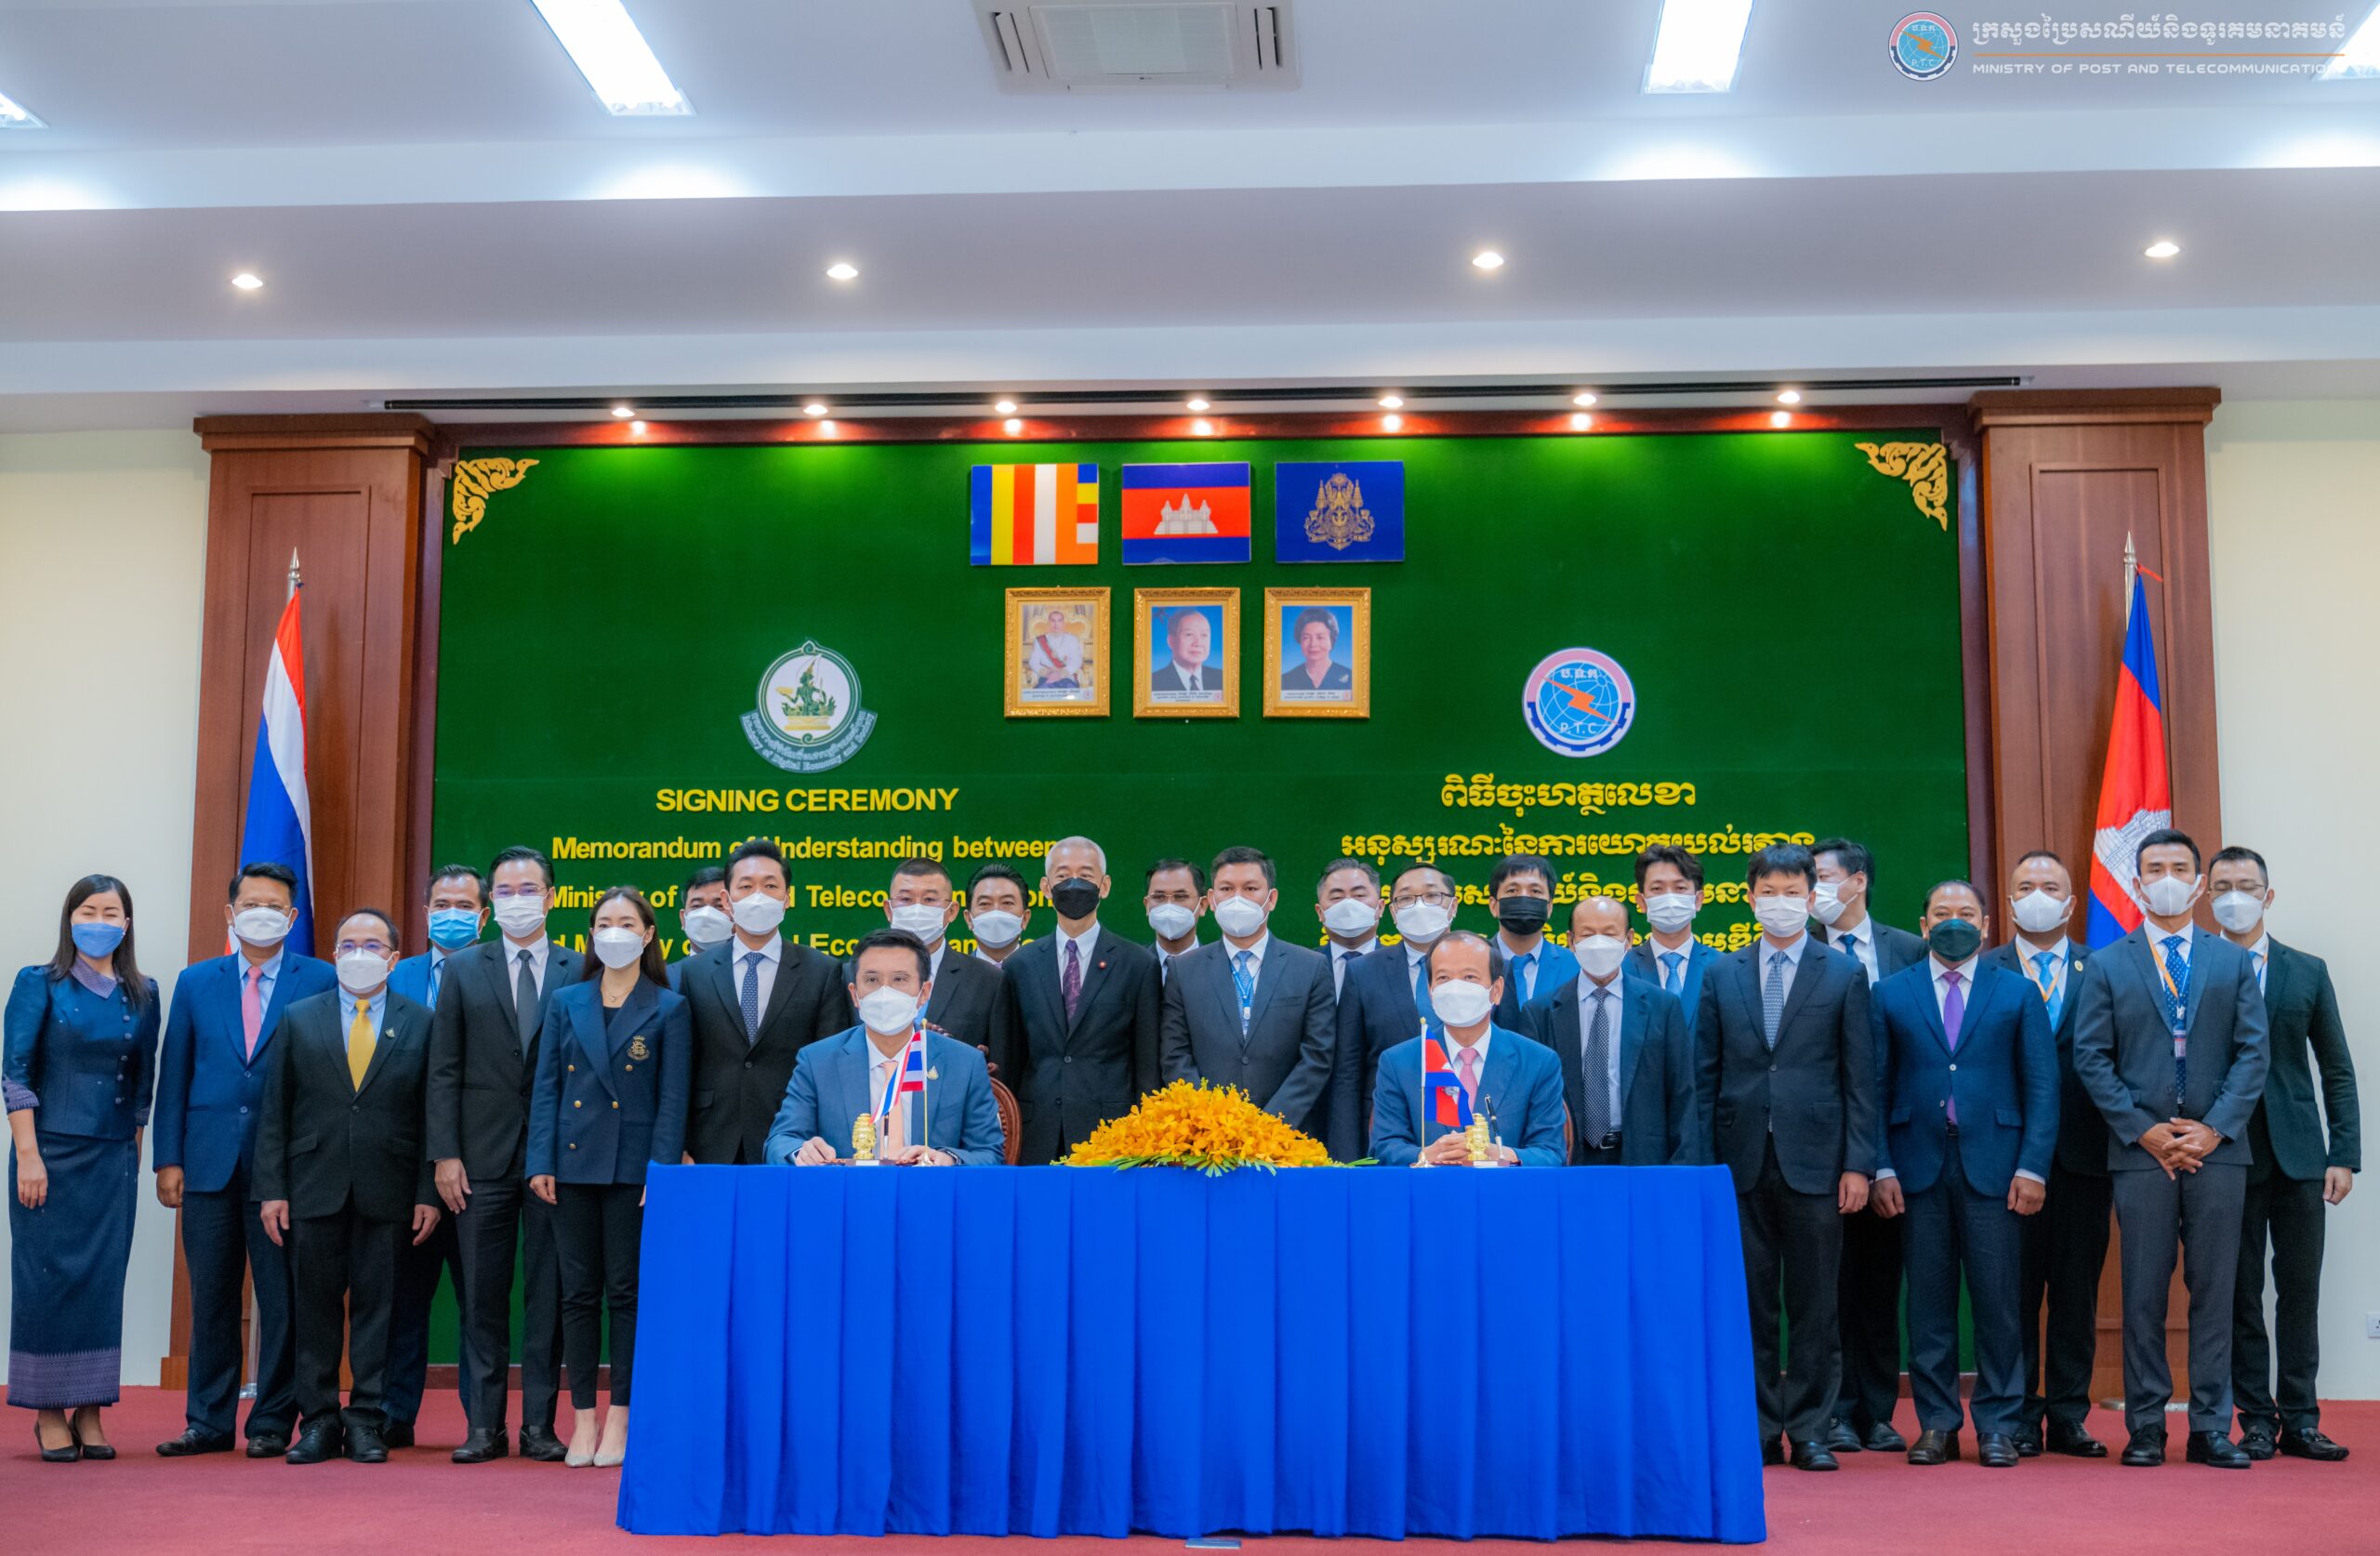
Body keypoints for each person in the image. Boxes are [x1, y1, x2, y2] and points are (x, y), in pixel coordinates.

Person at [2070, 827, 2269, 1470]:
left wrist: (2214, 1128)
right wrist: (2142, 1129)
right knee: (2143, 1293)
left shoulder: (2231, 961)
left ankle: (2212, 1427)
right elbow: (2091, 1057)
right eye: (2154, 869)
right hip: (2140, 1153)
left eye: (2179, 868)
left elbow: (2253, 1053)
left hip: (2219, 1150)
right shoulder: (2108, 963)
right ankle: (2147, 1427)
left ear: (2199, 883)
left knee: (2215, 1292)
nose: (2167, 879)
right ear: (2136, 884)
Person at [1695, 842, 1877, 1471]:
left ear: (1811, 897)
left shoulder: (1843, 974)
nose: (1779, 902)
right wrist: (1705, 1168)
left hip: (1819, 1164)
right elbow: (1705, 1076)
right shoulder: (1721, 974)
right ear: (1749, 899)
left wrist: (1858, 1164)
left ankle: (1811, 1429)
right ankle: (1759, 1428)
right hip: (1739, 1163)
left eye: (1791, 892)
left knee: (1814, 1305)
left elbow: (1860, 1079)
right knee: (1750, 1303)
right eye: (1767, 892)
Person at [1869, 880, 2056, 1469]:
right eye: (1943, 913)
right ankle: (1937, 1425)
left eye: (1967, 913)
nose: (1955, 922)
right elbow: (1874, 1087)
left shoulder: (2018, 992)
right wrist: (1880, 1165)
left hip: (1998, 1170)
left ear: (1986, 924)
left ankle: (1999, 1424)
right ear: (1924, 926)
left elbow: (2042, 1087)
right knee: (1927, 1306)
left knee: (1998, 1304)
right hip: (1915, 1168)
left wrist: (2033, 1166)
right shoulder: (1889, 992)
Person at [150, 863, 334, 1458]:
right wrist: (168, 1158)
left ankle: (272, 1421)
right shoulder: (195, 982)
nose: (262, 914)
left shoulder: (321, 979)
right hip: (207, 1165)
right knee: (212, 1297)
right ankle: (207, 1421)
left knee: (282, 1300)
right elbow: (174, 1074)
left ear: (293, 916)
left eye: (274, 906)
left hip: (287, 1170)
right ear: (230, 914)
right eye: (251, 904)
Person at [254, 908, 442, 1465]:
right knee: (313, 1312)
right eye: (349, 944)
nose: (360, 954)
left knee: (378, 1313)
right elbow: (276, 1111)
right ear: (334, 955)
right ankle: (317, 1421)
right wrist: (272, 1189)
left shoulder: (421, 1022)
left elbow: (432, 1115)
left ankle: (366, 1421)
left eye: (373, 945)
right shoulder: (298, 1017)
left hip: (391, 1189)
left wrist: (428, 1192)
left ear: (394, 958)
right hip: (313, 1186)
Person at [424, 845, 584, 1464]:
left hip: (555, 1161)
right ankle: (484, 1426)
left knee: (549, 1298)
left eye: (529, 889)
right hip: (478, 1160)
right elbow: (444, 1069)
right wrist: (445, 1154)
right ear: (492, 903)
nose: (518, 900)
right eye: (506, 891)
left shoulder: (580, 968)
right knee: (482, 1298)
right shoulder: (464, 968)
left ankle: (539, 1426)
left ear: (552, 897)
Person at [527, 887, 691, 1469]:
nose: (614, 932)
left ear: (648, 935)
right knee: (576, 1295)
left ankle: (620, 1416)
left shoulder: (669, 1007)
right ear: (591, 935)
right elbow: (547, 1088)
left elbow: (673, 1101)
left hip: (632, 1170)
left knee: (624, 1295)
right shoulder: (566, 1000)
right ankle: (583, 1420)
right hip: (571, 1167)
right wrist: (541, 1161)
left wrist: (660, 1170)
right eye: (604, 922)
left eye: (627, 922)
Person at [2209, 846, 2358, 1462]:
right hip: (2228, 1156)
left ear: (2268, 896)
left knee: (2299, 1292)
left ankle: (2301, 1418)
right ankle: (2256, 1421)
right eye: (2222, 885)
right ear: (2207, 897)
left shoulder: (2308, 971)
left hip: (2301, 1157)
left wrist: (2343, 1153)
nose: (2235, 896)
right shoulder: (2197, 967)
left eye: (2246, 885)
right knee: (2240, 1294)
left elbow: (2336, 1068)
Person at [7, 875, 159, 1463]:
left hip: (112, 1157)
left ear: (127, 923)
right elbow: (15, 1073)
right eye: (88, 910)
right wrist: (28, 1155)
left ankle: (91, 1409)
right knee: (46, 1280)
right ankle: (48, 1411)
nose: (100, 921)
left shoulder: (144, 992)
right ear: (70, 919)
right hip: (48, 1154)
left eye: (111, 912)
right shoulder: (38, 982)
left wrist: (133, 1152)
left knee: (102, 1284)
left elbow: (143, 1086)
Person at [1984, 850, 2109, 1457]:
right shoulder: (1985, 969)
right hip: (2003, 1158)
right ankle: (2017, 1414)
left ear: (2070, 901)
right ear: (2009, 901)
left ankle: (2067, 1414)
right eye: (2026, 885)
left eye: (2050, 886)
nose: (2038, 894)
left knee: (2075, 1293)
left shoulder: (2103, 968)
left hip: (2086, 1156)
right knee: (2012, 1294)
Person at [1812, 837, 1925, 1457]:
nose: (1813, 890)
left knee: (1880, 1282)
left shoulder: (1909, 951)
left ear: (1858, 881)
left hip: (1893, 1144)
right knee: (1824, 1287)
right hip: (1815, 1145)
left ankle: (1877, 1411)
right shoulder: (1798, 948)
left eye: (1822, 876)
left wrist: (1882, 1155)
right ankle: (1832, 1411)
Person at [381, 862, 484, 1447]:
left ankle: (481, 1421)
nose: (452, 915)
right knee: (402, 1299)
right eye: (442, 905)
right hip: (403, 1167)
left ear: (483, 916)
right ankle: (394, 1415)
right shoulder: (396, 976)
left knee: (478, 1304)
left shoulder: (500, 974)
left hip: (478, 1165)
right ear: (425, 914)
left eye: (464, 906)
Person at [985, 837, 1160, 1164]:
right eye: (1063, 875)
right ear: (1046, 887)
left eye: (1086, 875)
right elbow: (1009, 1058)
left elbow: (1147, 1064)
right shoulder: (1020, 965)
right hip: (1036, 1132)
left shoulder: (1138, 964)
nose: (1074, 884)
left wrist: (1146, 1138)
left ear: (1104, 886)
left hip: (1114, 1134)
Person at [765, 930, 1004, 1166]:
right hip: (848, 1189)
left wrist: (949, 1159)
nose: (885, 992)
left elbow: (989, 1154)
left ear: (924, 993)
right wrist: (801, 1153)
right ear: (854, 994)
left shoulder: (964, 1063)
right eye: (872, 980)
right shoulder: (818, 1061)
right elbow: (780, 1142)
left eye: (899, 979)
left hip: (929, 1189)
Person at [680, 838, 853, 1165]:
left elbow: (830, 1067)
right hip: (709, 1141)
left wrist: (822, 1140)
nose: (758, 896)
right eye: (746, 886)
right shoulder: (692, 973)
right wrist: (679, 1144)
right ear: (727, 900)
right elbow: (680, 1066)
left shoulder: (823, 971)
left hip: (794, 1141)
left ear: (787, 898)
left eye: (770, 886)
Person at [1159, 847, 1335, 1126]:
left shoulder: (1310, 967)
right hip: (1207, 1133)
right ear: (1212, 899)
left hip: (1288, 1133)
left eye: (1250, 888)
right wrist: (1211, 1120)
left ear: (1271, 899)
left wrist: (1269, 1124)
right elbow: (1175, 1056)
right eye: (1226, 889)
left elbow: (1316, 1056)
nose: (1237, 898)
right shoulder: (1183, 970)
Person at [1521, 894, 1699, 1165]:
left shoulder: (1662, 1007)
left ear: (1629, 939)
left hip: (1644, 1159)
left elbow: (1682, 1095)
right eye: (1587, 934)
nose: (1598, 943)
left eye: (1609, 933)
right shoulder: (1539, 1013)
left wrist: (1681, 1168)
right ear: (1571, 941)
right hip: (1569, 1159)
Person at [1368, 931, 1565, 1166]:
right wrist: (1426, 1155)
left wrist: (1502, 1155)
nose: (1455, 988)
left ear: (1497, 990)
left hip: (1504, 1188)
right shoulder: (1399, 1062)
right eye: (1443, 978)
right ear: (1430, 991)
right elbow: (1383, 1149)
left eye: (1469, 977)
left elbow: (1551, 1153)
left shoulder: (1537, 1062)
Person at [1329, 863, 1457, 1161]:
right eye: (1406, 898)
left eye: (1432, 896)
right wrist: (1347, 1158)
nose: (1420, 906)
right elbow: (1347, 1072)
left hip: (1472, 1128)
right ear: (1393, 911)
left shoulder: (1488, 964)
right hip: (1387, 1135)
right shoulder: (1363, 971)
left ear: (1453, 905)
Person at [883, 857, 1001, 1051]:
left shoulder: (987, 981)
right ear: (889, 910)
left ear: (952, 911)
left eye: (929, 900)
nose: (917, 909)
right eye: (906, 899)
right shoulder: (854, 975)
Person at [1488, 852, 1576, 1029]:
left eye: (1535, 891)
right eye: (1512, 891)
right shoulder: (1472, 963)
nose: (1524, 897)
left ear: (1549, 907)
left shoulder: (1574, 966)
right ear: (1494, 906)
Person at [1629, 845, 1718, 1016]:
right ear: (1641, 902)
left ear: (1698, 900)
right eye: (1657, 889)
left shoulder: (1722, 968)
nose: (1669, 897)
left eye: (1680, 888)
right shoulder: (1622, 968)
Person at [1314, 857, 1382, 1000]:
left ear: (1380, 908)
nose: (1348, 904)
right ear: (1320, 912)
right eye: (1337, 897)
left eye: (1359, 895)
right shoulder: (1302, 967)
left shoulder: (1403, 966)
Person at [1142, 858, 1206, 984]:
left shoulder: (1224, 967)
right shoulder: (1130, 966)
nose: (1169, 905)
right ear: (1147, 905)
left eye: (1180, 897)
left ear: (1203, 905)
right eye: (1159, 897)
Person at [669, 865, 732, 990]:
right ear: (683, 919)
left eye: (719, 906)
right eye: (697, 906)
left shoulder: (750, 977)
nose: (706, 914)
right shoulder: (668, 980)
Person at [964, 864, 1030, 969]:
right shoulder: (950, 976)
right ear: (969, 919)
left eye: (1007, 903)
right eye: (985, 903)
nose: (996, 912)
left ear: (1025, 919)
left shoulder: (1045, 973)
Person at [1279, 606, 1352, 692]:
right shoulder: (1287, 680)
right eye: (1306, 638)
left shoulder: (1350, 677)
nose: (1313, 644)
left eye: (1320, 637)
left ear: (1332, 641)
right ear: (1300, 641)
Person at [1150, 607, 1221, 695]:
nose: (1198, 643)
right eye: (1189, 634)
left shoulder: (1222, 678)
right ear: (1171, 641)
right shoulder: (1154, 682)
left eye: (1204, 635)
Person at [1028, 608, 1084, 689]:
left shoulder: (1072, 639)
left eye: (1059, 621)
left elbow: (1077, 661)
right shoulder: (1040, 640)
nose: (1056, 624)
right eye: (1053, 621)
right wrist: (1046, 672)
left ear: (1063, 623)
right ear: (1049, 623)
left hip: (1067, 677)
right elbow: (1033, 661)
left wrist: (1062, 673)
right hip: (1046, 678)